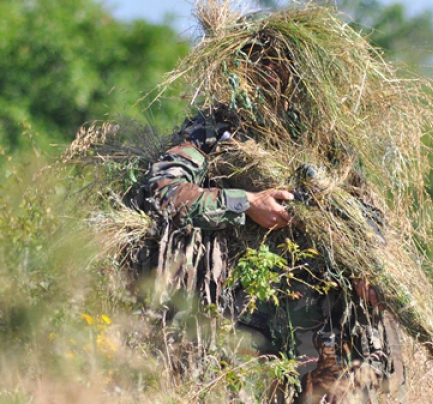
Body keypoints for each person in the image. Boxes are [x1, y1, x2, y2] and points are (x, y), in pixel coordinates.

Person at [132, 36, 403, 404]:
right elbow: (161, 192)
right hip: (246, 317)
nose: (270, 76)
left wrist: (367, 266)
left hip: (323, 321)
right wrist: (246, 204)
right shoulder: (215, 132)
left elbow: (363, 215)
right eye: (260, 65)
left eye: (281, 67)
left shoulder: (327, 137)